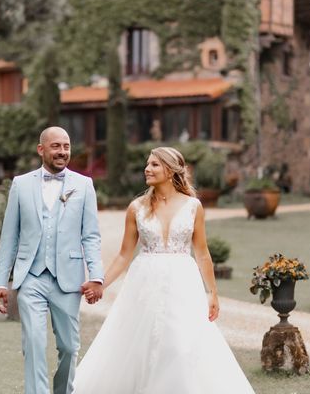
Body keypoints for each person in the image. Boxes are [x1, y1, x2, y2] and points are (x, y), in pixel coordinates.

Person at [74, 147, 256, 393]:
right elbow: (124, 254)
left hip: (183, 282)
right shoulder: (136, 207)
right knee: (140, 345)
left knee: (181, 344)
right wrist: (100, 283)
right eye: (147, 165)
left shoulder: (194, 206)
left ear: (171, 171)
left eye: (154, 165)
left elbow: (202, 253)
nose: (147, 169)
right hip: (145, 283)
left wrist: (212, 293)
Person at [0, 126, 104, 394]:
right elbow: (10, 236)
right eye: (56, 146)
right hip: (31, 276)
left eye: (66, 146)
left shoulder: (84, 185)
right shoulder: (21, 184)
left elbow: (91, 236)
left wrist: (96, 276)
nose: (62, 152)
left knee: (69, 346)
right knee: (33, 341)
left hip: (68, 279)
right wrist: (0, 282)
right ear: (41, 150)